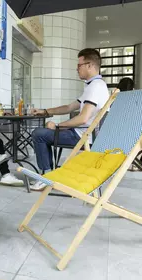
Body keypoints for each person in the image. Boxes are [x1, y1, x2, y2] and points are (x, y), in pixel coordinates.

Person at [30, 48, 110, 191]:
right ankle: (49, 174)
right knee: (44, 133)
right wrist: (46, 111)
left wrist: (57, 126)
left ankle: (46, 177)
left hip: (84, 136)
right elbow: (68, 107)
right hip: (85, 134)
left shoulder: (95, 87)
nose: (77, 69)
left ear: (90, 65)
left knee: (39, 134)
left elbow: (83, 119)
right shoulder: (94, 86)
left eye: (79, 65)